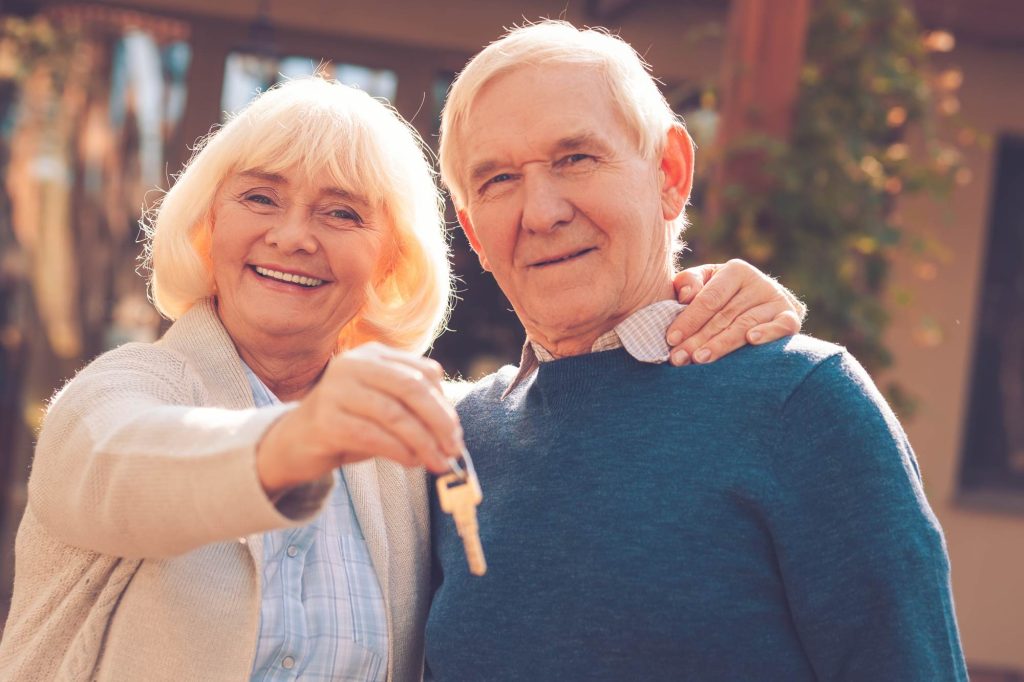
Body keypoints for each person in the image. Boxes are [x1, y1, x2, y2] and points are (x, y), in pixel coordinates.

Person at [0, 76, 805, 681]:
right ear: (209, 227)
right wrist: (301, 440)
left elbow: (563, 404)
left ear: (392, 261)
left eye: (342, 212)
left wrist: (703, 299)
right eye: (260, 198)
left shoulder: (418, 433)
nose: (293, 236)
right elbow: (133, 465)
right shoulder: (119, 398)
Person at [426, 20, 968, 681]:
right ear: (473, 234)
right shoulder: (453, 443)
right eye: (499, 178)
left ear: (671, 174)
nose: (541, 211)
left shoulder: (804, 404)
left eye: (575, 158)